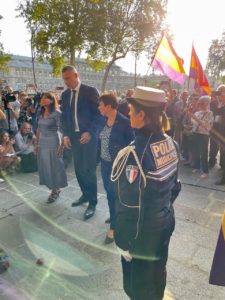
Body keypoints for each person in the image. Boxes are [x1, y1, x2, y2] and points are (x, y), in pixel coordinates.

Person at [111, 86, 181, 300]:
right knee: (158, 274)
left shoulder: (133, 154)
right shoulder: (172, 143)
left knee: (138, 288)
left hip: (141, 235)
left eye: (131, 110)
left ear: (142, 114)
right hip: (165, 222)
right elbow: (175, 188)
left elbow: (128, 206)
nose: (128, 114)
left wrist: (123, 241)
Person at [61, 65, 103, 220]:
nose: (65, 81)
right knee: (78, 169)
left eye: (68, 78)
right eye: (64, 78)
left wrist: (90, 132)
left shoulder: (90, 91)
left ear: (76, 75)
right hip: (73, 137)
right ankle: (85, 194)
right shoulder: (65, 95)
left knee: (89, 169)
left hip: (88, 137)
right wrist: (65, 135)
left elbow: (100, 115)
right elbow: (64, 118)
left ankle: (93, 202)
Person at [98, 92, 134, 244]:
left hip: (118, 166)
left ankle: (114, 226)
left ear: (108, 106)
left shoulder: (125, 122)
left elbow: (132, 145)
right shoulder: (103, 120)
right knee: (109, 193)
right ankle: (115, 215)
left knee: (114, 194)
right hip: (105, 163)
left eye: (100, 105)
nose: (98, 107)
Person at [36, 92, 67, 203]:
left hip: (54, 142)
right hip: (43, 142)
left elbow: (63, 130)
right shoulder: (40, 112)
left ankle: (56, 190)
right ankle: (52, 188)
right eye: (42, 98)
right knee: (46, 166)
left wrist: (62, 146)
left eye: (46, 98)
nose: (43, 100)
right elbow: (39, 129)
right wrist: (36, 144)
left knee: (54, 166)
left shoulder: (57, 113)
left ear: (51, 100)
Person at [190, 96, 213, 178]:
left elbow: (207, 126)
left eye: (201, 103)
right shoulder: (197, 112)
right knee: (195, 151)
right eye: (199, 103)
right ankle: (197, 167)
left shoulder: (209, 113)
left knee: (204, 153)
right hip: (195, 133)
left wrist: (195, 118)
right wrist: (190, 118)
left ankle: (205, 171)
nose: (199, 105)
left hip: (204, 135)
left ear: (206, 103)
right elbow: (193, 123)